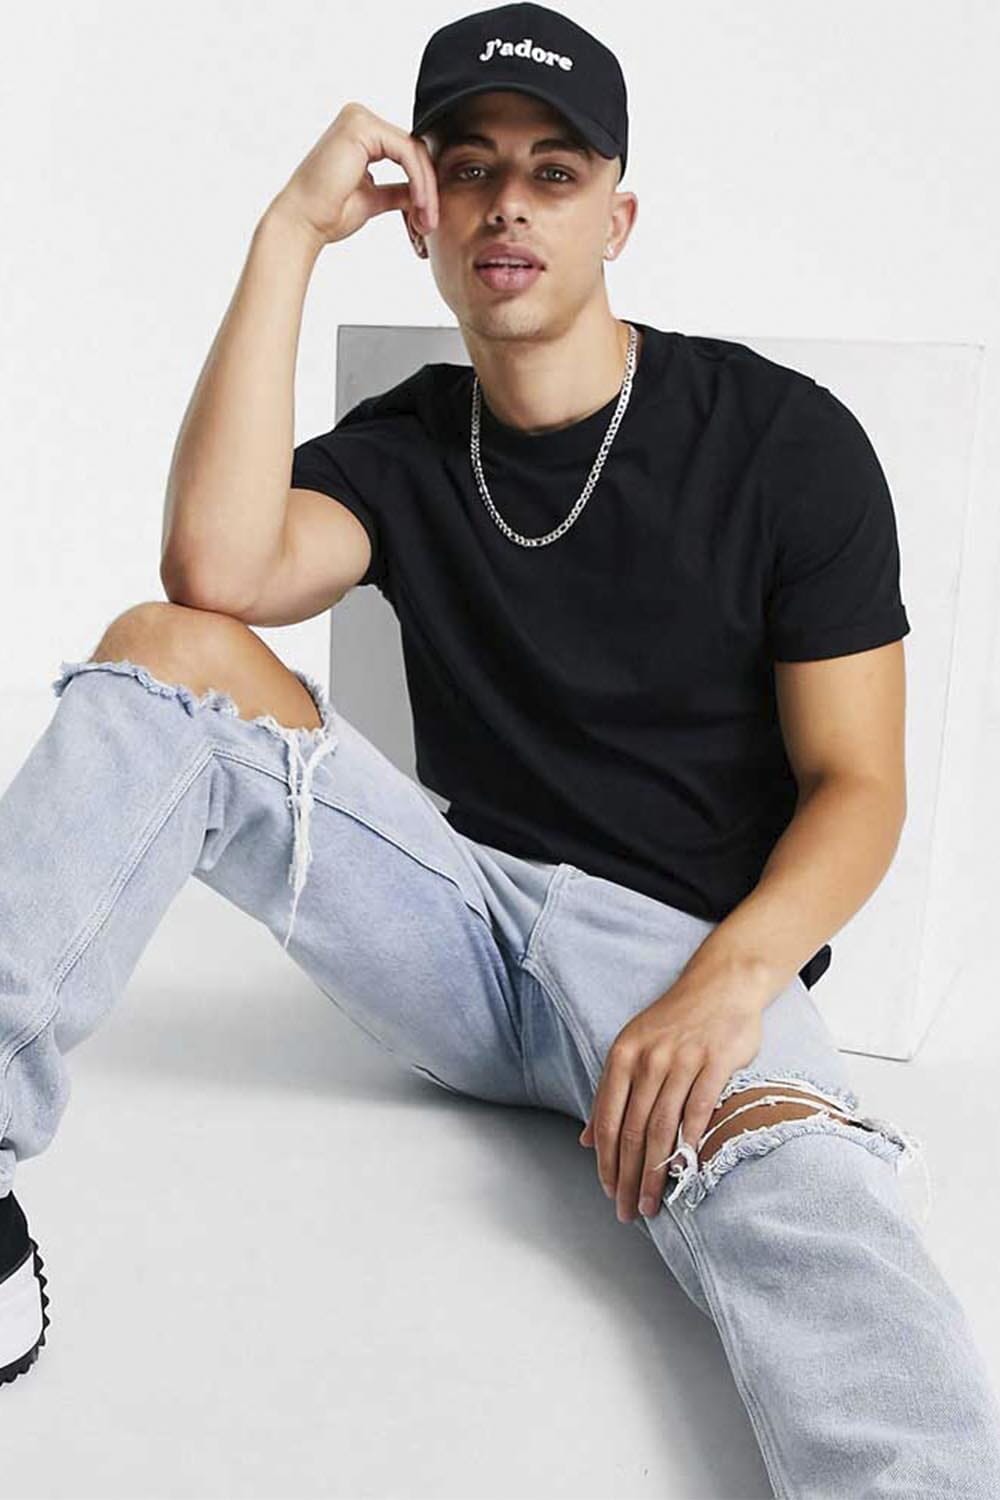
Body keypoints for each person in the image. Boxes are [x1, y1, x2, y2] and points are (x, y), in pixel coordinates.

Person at [2, 0, 998, 1489]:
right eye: (468, 170)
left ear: (616, 217)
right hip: (458, 929)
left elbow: (861, 786)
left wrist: (730, 985)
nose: (508, 205)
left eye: (553, 171)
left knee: (814, 1211)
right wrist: (289, 232)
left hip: (688, 965)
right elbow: (214, 576)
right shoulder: (411, 442)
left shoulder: (783, 442)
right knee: (161, 653)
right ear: (423, 215)